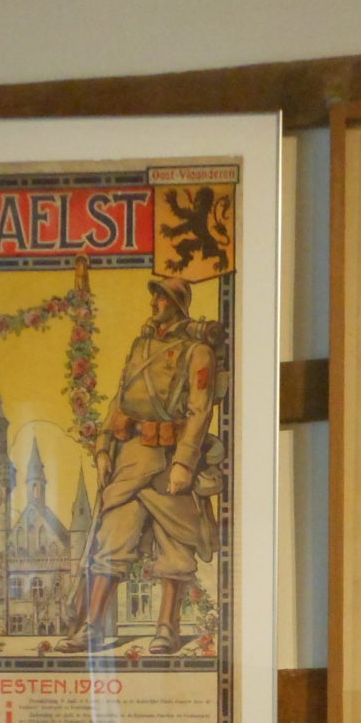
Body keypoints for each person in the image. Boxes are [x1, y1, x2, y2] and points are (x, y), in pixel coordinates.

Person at [65, 274, 216, 654]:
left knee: (175, 545)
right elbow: (120, 398)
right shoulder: (141, 346)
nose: (153, 304)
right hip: (129, 456)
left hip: (168, 458)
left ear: (176, 305)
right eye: (154, 298)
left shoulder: (198, 352)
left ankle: (167, 627)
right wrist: (103, 446)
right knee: (111, 541)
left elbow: (199, 411)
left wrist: (184, 462)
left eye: (161, 298)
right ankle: (92, 627)